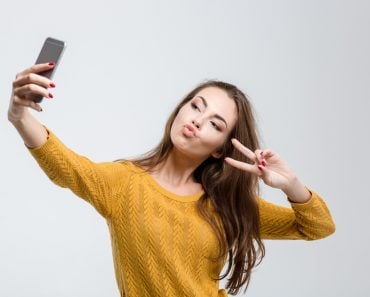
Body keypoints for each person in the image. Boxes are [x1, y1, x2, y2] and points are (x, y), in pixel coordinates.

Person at [8, 62, 336, 297]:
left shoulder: (226, 205)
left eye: (215, 124)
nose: (197, 120)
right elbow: (65, 167)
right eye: (196, 106)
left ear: (221, 150)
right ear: (180, 109)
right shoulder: (123, 184)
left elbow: (318, 227)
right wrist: (19, 115)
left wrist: (290, 184)